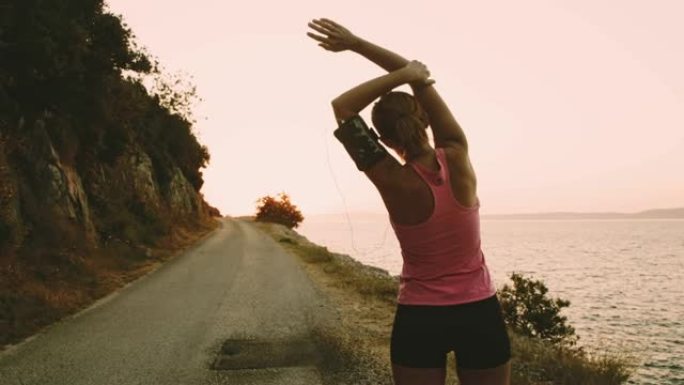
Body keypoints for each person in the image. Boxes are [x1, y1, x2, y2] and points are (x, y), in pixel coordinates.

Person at [307, 19, 512, 385]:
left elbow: (342, 107)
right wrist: (368, 50)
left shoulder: (392, 178)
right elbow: (419, 77)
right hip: (480, 313)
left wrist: (399, 72)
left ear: (382, 139)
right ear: (425, 119)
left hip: (420, 317)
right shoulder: (458, 153)